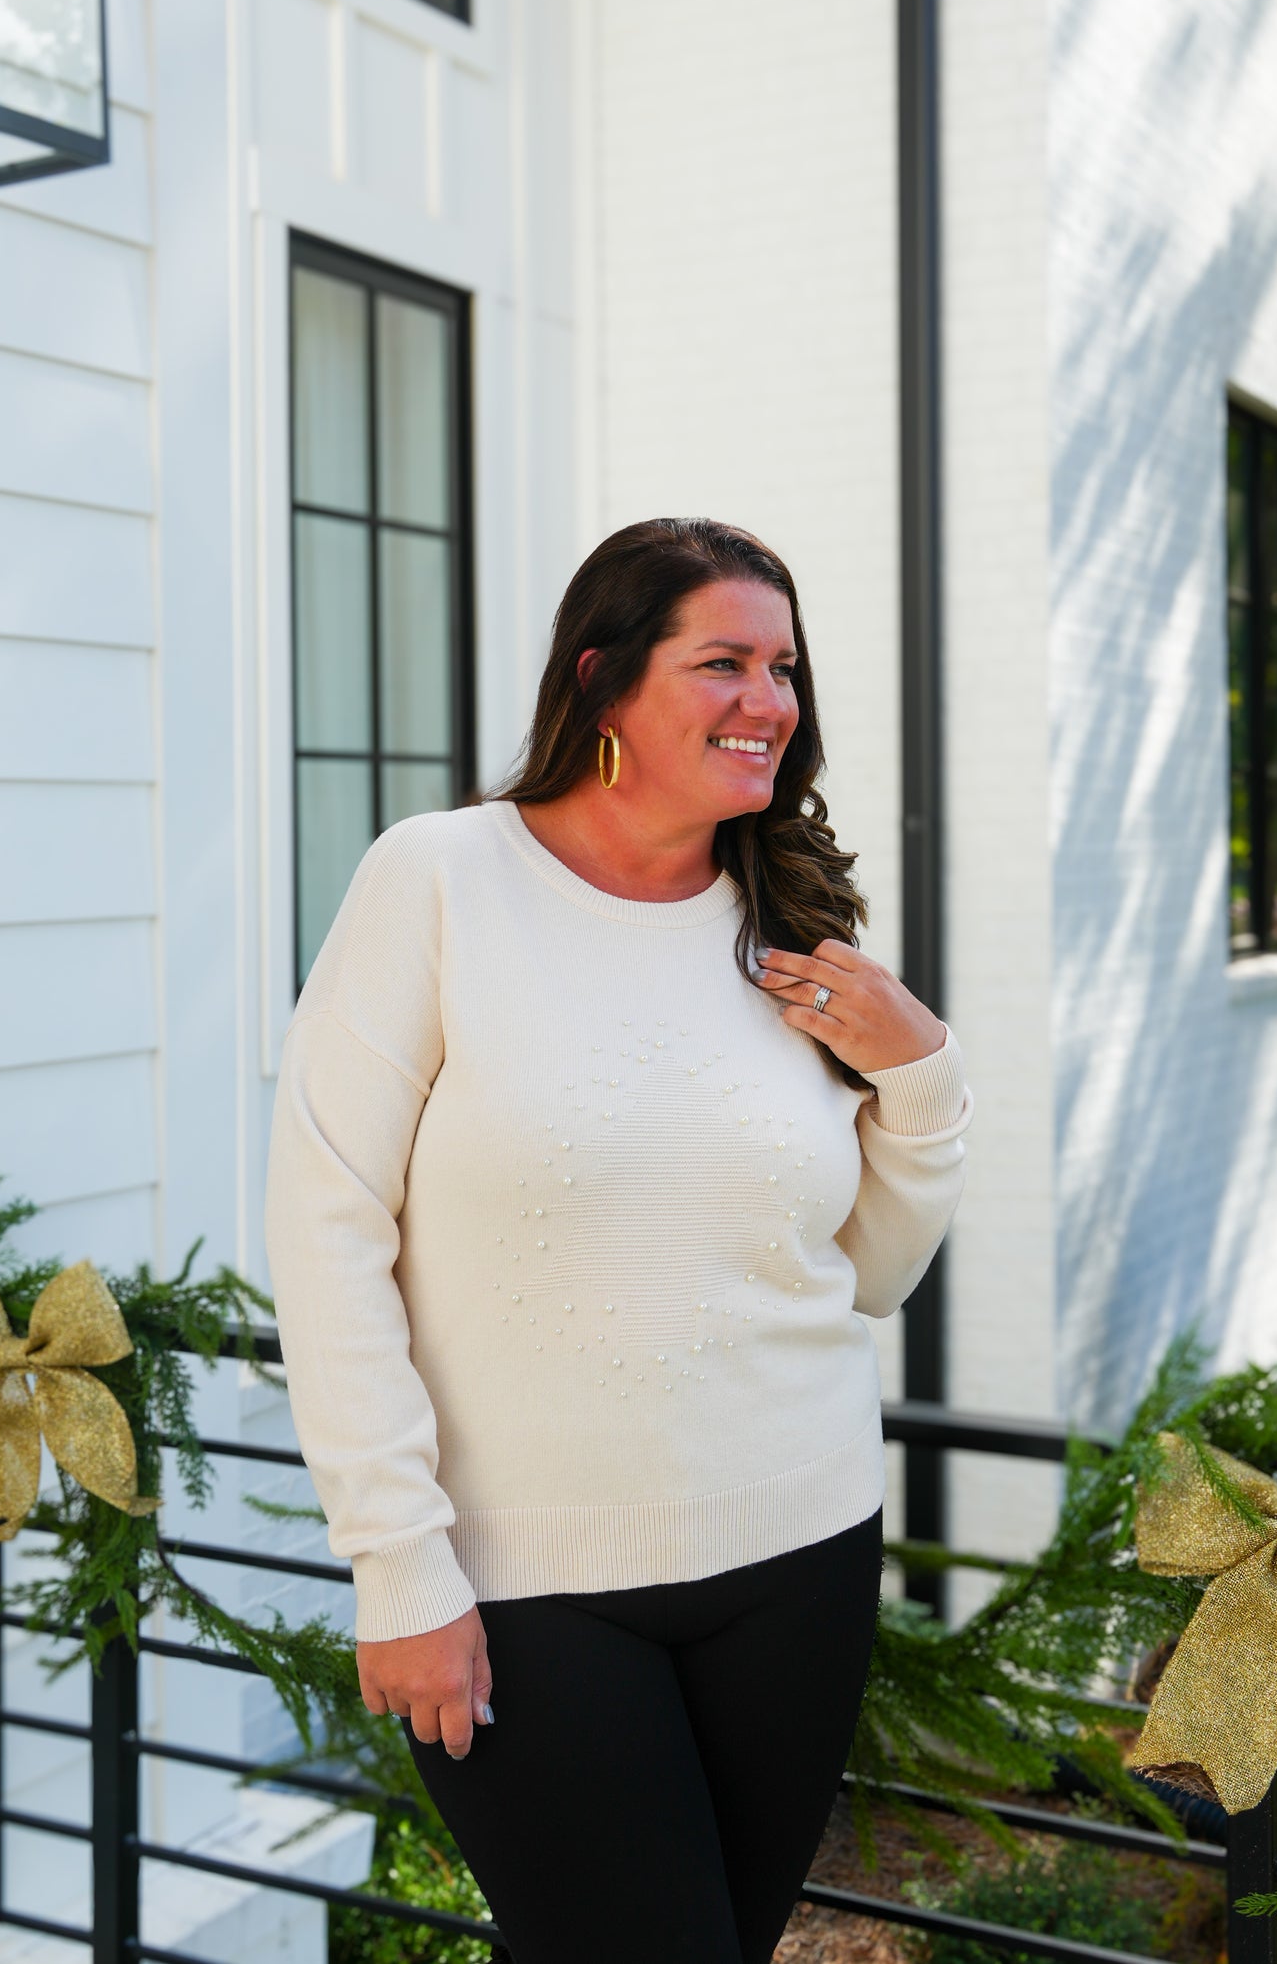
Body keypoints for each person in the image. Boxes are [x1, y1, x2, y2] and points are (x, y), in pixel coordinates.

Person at [263, 517, 975, 1964]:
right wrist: (396, 1564)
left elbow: (868, 1273)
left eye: (784, 668)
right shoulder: (438, 881)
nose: (768, 701)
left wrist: (922, 1080)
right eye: (723, 663)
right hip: (521, 1586)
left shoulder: (790, 929)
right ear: (600, 680)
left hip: (801, 1552)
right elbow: (327, 1228)